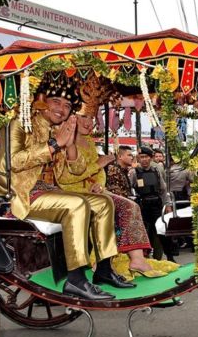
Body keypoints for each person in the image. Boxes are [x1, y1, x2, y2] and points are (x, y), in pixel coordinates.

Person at [0, 75, 134, 301]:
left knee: (104, 203)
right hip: (16, 195)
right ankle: (76, 279)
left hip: (50, 193)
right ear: (42, 100)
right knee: (77, 204)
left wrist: (70, 144)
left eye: (66, 105)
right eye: (56, 101)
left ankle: (104, 270)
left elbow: (74, 171)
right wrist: (54, 145)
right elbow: (11, 162)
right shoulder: (19, 123)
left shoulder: (60, 130)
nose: (62, 109)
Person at [55, 100, 169, 278]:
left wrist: (99, 183)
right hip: (73, 194)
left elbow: (99, 172)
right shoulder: (60, 140)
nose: (88, 122)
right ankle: (101, 262)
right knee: (116, 206)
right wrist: (97, 164)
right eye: (83, 116)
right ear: (71, 118)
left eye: (91, 117)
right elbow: (63, 176)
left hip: (96, 192)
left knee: (130, 206)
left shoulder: (89, 142)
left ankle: (137, 258)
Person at [132, 146, 173, 260]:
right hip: (142, 206)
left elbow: (164, 190)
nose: (144, 159)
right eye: (141, 157)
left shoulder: (157, 170)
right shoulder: (134, 172)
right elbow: (130, 189)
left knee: (160, 232)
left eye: (146, 157)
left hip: (156, 205)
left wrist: (168, 205)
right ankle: (145, 258)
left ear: (150, 158)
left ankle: (163, 257)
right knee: (144, 233)